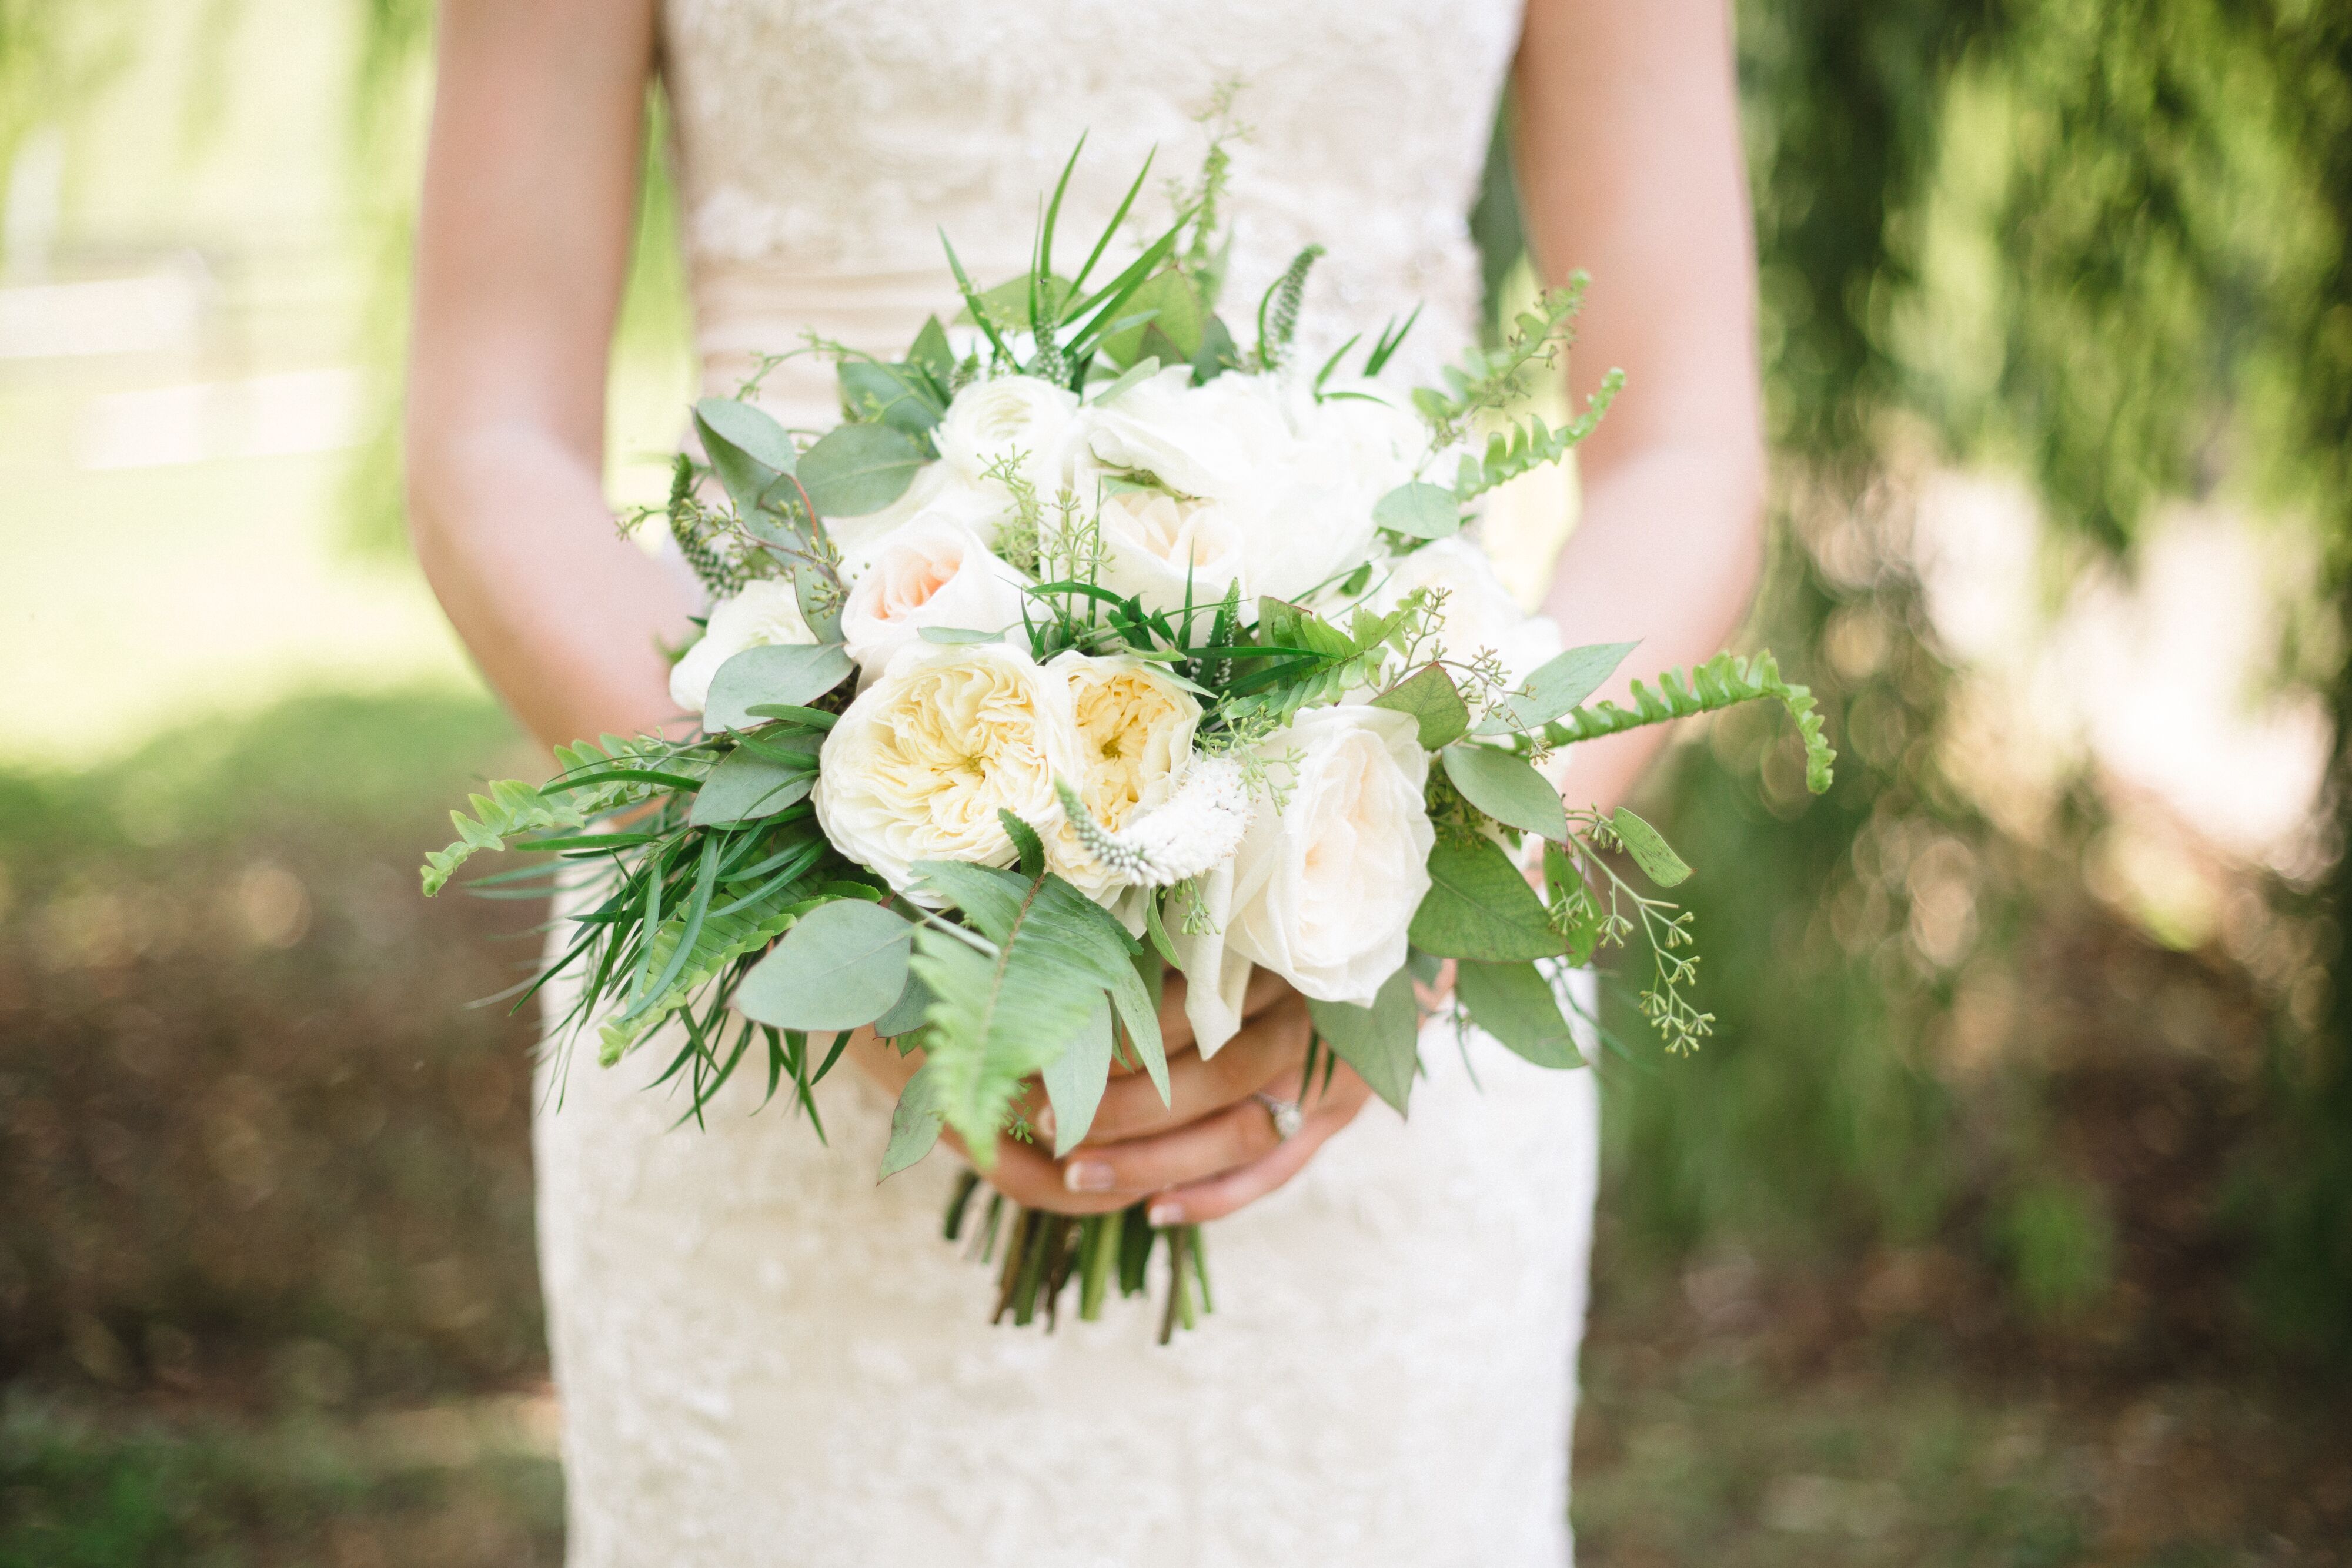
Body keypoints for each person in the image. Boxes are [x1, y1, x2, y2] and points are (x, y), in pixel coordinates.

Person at [405, 1, 1762, 1562]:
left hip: (1372, 1010)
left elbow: (1684, 448)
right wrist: (783, 864)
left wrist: (1428, 875)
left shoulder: (1398, 913)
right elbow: (489, 436)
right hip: (767, 995)